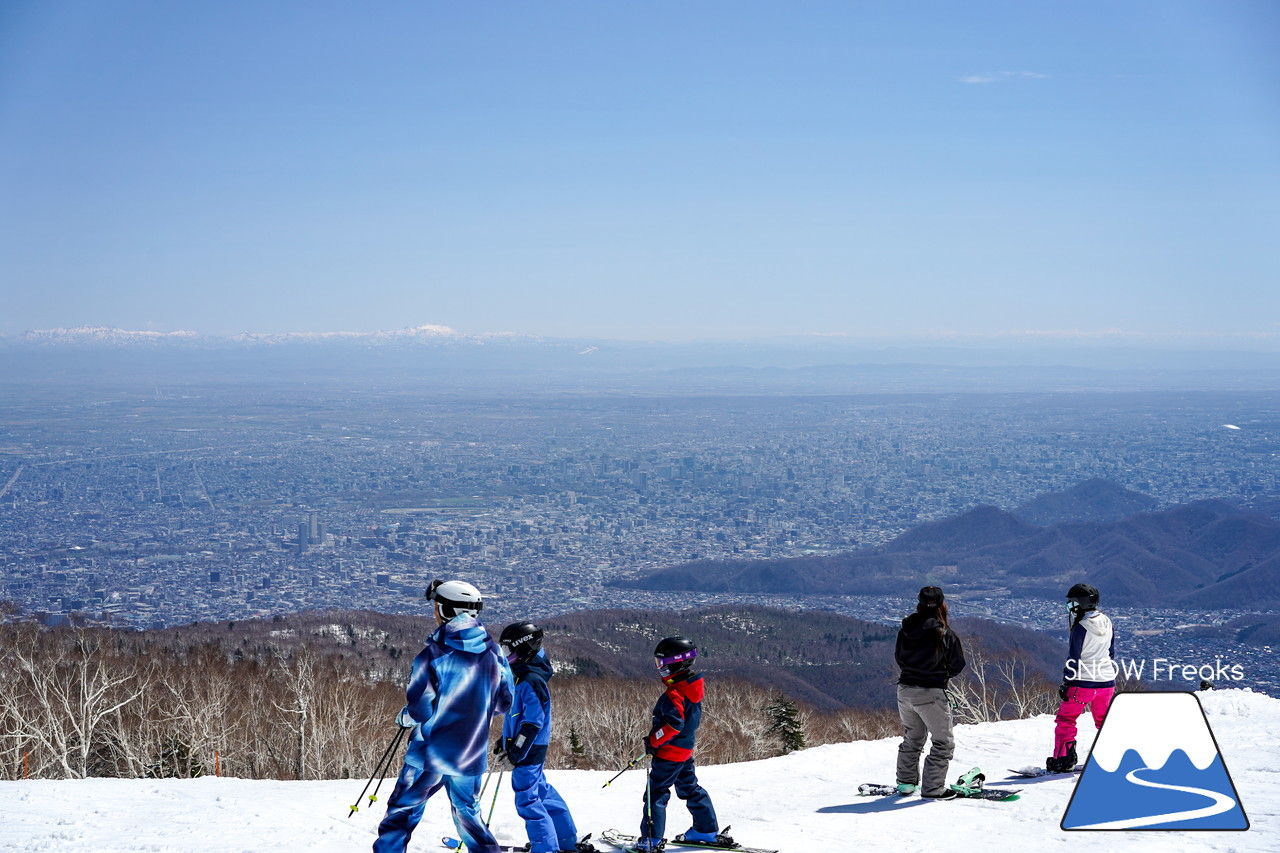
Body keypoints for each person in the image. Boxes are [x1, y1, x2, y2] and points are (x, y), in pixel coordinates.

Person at [373, 579, 514, 853]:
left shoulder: (434, 654)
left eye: (436, 607)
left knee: (401, 814)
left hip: (429, 754)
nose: (434, 613)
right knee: (469, 818)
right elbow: (503, 704)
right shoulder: (495, 653)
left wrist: (405, 717)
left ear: (448, 611)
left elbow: (420, 709)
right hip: (470, 753)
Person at [493, 621, 587, 853]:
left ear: (523, 649)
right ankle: (564, 839)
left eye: (507, 650)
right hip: (528, 746)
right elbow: (517, 718)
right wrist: (504, 741)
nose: (504, 656)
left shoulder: (530, 681)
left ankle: (545, 847)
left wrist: (516, 752)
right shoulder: (522, 676)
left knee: (527, 800)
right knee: (542, 791)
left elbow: (533, 723)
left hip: (529, 749)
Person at [636, 637, 729, 853]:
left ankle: (651, 839)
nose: (660, 668)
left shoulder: (674, 694)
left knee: (656, 792)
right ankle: (705, 830)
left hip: (670, 753)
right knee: (689, 787)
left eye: (662, 664)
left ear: (677, 663)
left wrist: (652, 741)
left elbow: (673, 725)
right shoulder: (690, 688)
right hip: (685, 750)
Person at [894, 585, 967, 799]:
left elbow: (899, 658)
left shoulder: (905, 630)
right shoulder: (945, 633)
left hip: (905, 689)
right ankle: (933, 788)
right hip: (931, 692)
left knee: (913, 737)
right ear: (942, 604)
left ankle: (906, 783)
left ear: (919, 603)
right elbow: (957, 664)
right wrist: (939, 674)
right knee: (943, 742)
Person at [1047, 582, 1116, 773]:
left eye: (1072, 603)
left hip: (1083, 683)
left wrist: (1066, 682)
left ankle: (1064, 759)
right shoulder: (1107, 621)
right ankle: (1116, 755)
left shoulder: (1080, 627)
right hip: (1107, 681)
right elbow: (1111, 653)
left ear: (1081, 604)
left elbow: (1073, 659)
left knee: (1066, 719)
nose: (1069, 606)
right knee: (1103, 720)